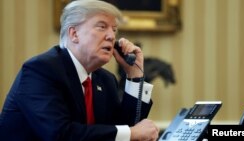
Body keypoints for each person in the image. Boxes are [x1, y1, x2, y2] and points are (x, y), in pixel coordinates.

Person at [0, 0, 159, 141]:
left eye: (114, 30)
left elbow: (123, 130)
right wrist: (131, 133)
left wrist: (134, 75)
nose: (111, 36)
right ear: (74, 34)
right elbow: (60, 134)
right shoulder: (40, 71)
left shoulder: (105, 79)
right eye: (102, 27)